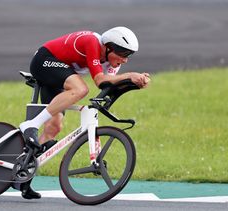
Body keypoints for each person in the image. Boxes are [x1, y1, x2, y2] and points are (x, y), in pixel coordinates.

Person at [17, 26, 150, 199]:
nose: (125, 60)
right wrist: (130, 75)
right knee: (80, 89)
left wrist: (134, 83)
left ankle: (23, 176)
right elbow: (100, 81)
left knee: (54, 127)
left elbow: (109, 85)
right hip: (45, 60)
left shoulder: (111, 60)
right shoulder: (92, 43)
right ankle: (31, 124)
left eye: (129, 56)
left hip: (60, 73)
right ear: (109, 47)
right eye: (123, 54)